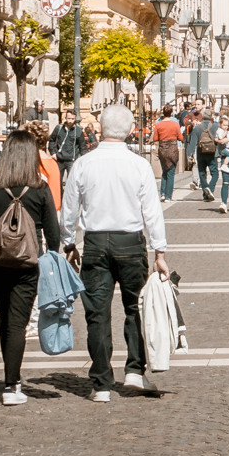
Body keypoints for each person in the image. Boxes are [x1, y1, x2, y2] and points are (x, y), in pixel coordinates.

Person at [63, 104, 170, 401]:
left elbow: (69, 208)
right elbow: (152, 212)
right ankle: (135, 369)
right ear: (131, 130)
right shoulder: (138, 165)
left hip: (96, 243)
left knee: (97, 313)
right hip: (130, 242)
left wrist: (69, 242)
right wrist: (159, 250)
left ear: (100, 128)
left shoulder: (84, 163)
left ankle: (101, 383)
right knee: (136, 308)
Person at [0, 126, 64, 405]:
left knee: (7, 321)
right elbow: (53, 235)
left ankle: (10, 378)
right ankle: (12, 386)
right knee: (18, 324)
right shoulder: (39, 189)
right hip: (27, 264)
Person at [153, 108, 183, 201]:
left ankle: (162, 193)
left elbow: (155, 138)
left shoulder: (158, 125)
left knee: (164, 171)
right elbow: (181, 138)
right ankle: (168, 196)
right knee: (171, 173)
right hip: (172, 149)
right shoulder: (175, 124)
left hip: (162, 149)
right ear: (171, 113)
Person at [192, 108, 219, 201]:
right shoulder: (216, 126)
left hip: (201, 152)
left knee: (202, 173)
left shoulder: (197, 127)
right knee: (215, 173)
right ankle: (210, 188)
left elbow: (193, 142)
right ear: (211, 116)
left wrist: (189, 155)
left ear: (202, 116)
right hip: (213, 153)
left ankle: (205, 193)